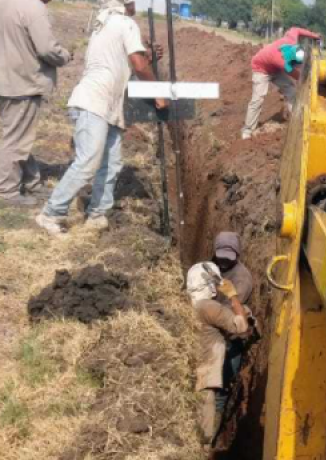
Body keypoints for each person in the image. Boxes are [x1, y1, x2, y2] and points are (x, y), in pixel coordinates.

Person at [35, 0, 166, 235]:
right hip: (94, 103)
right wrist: (158, 92)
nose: (136, 4)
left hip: (106, 105)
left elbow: (119, 59)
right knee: (88, 162)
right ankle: (51, 213)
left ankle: (97, 214)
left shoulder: (104, 24)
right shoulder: (125, 23)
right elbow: (137, 64)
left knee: (112, 163)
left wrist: (147, 55)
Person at [0, 0, 72, 207]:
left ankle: (31, 182)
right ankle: (7, 190)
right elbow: (47, 49)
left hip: (6, 79)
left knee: (18, 133)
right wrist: (65, 56)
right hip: (22, 82)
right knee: (15, 139)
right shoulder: (34, 8)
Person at [186, 262, 251, 445]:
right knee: (203, 436)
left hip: (190, 374)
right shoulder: (208, 307)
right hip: (205, 377)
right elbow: (241, 326)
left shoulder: (188, 303)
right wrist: (233, 296)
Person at [241, 27, 321, 140]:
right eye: (295, 64)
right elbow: (298, 76)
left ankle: (295, 121)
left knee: (291, 90)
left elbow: (295, 29)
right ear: (290, 61)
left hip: (274, 68)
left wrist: (314, 35)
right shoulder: (281, 61)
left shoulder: (291, 40)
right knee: (258, 98)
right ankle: (248, 130)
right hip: (261, 69)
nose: (297, 66)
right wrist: (310, 81)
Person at [212, 231, 253, 305]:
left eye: (228, 257)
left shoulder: (242, 278)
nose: (225, 260)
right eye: (221, 257)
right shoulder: (212, 266)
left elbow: (233, 307)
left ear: (237, 255)